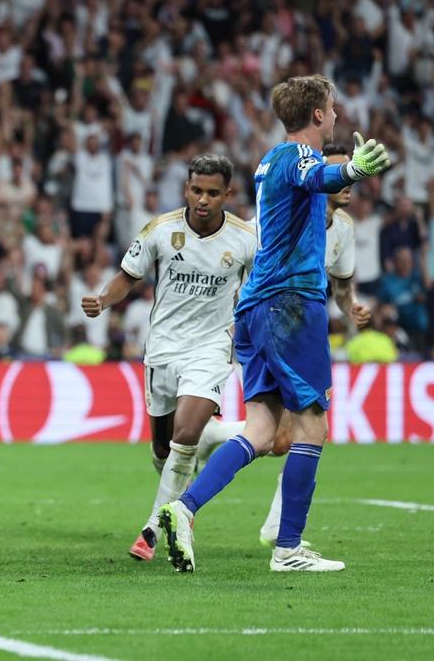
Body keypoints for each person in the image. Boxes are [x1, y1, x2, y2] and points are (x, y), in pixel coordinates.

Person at [159, 74, 391, 573]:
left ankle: (182, 507)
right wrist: (352, 169)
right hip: (290, 304)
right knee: (312, 425)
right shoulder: (300, 157)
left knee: (263, 430)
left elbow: (313, 184)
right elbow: (320, 178)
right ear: (317, 115)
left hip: (257, 306)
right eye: (332, 107)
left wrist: (344, 172)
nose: (336, 114)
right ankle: (288, 548)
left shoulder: (271, 159)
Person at [82, 154, 257, 563]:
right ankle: (214, 436)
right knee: (163, 448)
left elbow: (256, 291)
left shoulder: (246, 239)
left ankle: (152, 530)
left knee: (184, 433)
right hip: (162, 348)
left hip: (212, 348)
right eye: (197, 190)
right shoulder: (161, 230)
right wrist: (103, 300)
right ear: (186, 189)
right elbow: (129, 275)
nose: (203, 200)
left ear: (228, 194)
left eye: (213, 193)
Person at [257, 144, 372, 548]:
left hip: (304, 329)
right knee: (306, 430)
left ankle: (210, 439)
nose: (349, 183)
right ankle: (278, 530)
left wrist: (351, 306)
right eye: (342, 173)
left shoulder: (343, 228)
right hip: (271, 324)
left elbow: (341, 286)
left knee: (283, 440)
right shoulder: (287, 214)